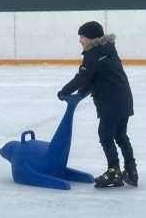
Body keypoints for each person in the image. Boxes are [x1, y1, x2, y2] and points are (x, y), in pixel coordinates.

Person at [57, 21, 137, 188]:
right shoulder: (108, 50)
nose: (80, 40)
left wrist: (64, 91)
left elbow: (83, 77)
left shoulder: (93, 54)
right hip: (123, 99)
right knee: (121, 136)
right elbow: (97, 75)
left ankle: (114, 173)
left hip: (111, 102)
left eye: (82, 37)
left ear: (91, 38)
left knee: (106, 136)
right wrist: (84, 89)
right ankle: (131, 170)